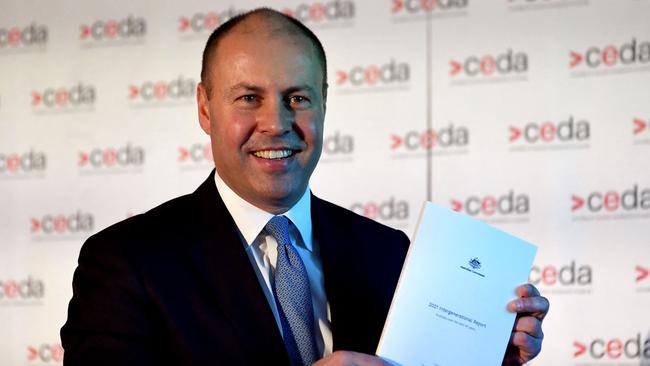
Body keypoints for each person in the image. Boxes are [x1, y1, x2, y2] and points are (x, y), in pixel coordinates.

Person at [61, 8, 548, 366]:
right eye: (249, 98)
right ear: (205, 109)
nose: (276, 123)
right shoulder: (127, 262)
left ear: (324, 104)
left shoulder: (388, 253)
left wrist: (488, 352)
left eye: (297, 97)